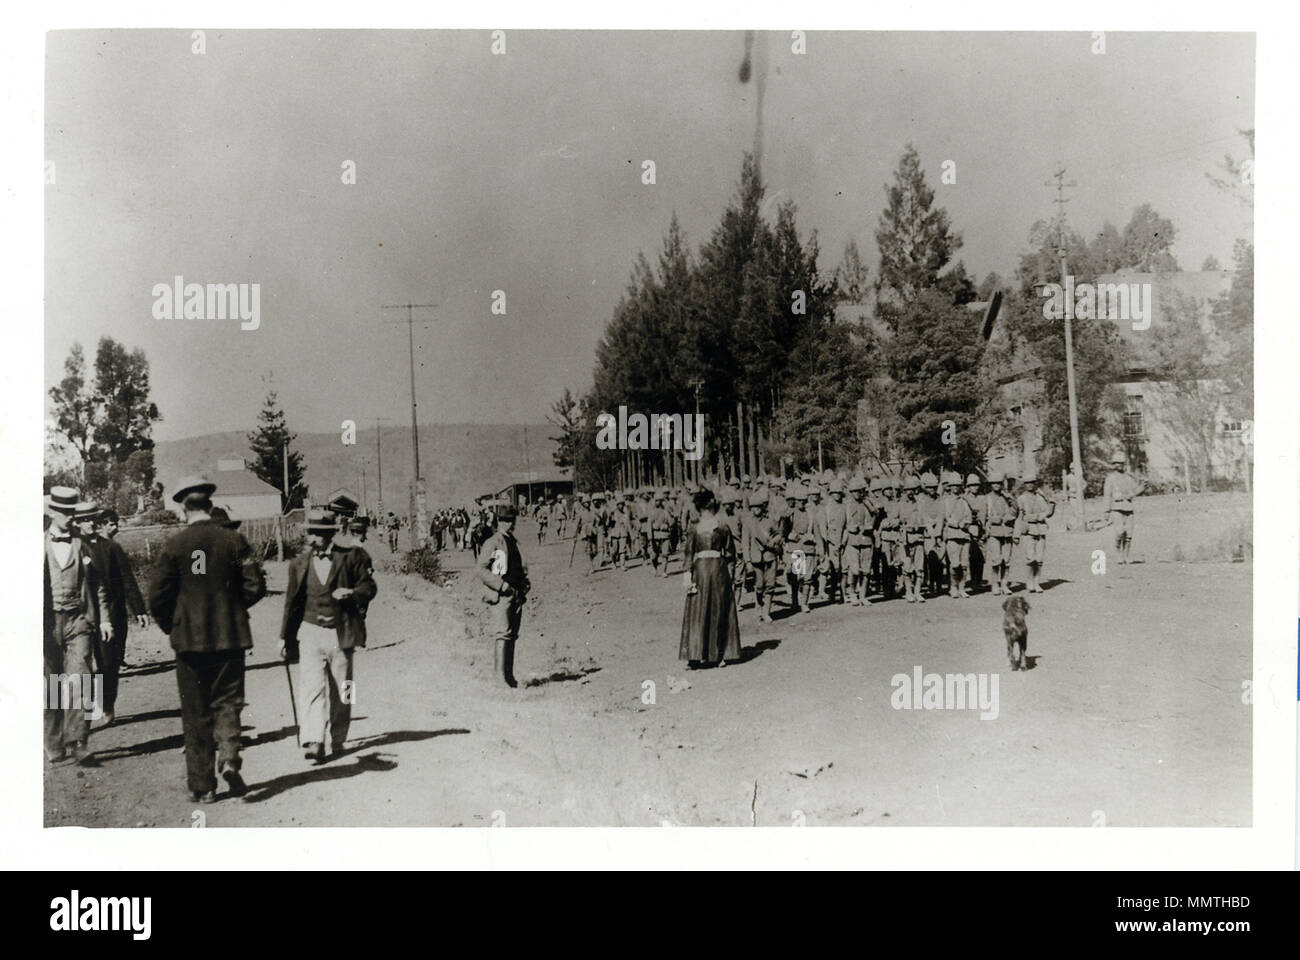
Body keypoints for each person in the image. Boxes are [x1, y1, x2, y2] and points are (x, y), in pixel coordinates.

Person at [148, 476, 266, 802]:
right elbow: (255, 586)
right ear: (210, 505)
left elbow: (157, 596)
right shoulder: (234, 541)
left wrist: (173, 625)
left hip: (189, 641)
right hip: (230, 637)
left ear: (183, 508)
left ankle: (204, 787)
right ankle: (229, 757)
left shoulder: (175, 545)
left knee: (195, 710)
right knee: (228, 702)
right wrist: (232, 610)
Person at [280, 508, 377, 762]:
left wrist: (352, 593)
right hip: (310, 632)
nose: (313, 538)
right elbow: (291, 603)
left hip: (341, 633)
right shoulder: (299, 564)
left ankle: (339, 737)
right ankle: (314, 741)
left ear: (329, 535)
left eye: (318, 533)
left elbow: (369, 587)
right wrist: (284, 638)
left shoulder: (351, 557)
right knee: (311, 688)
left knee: (345, 689)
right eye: (310, 533)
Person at [43, 486, 112, 766]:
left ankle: (79, 742)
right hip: (47, 624)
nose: (71, 518)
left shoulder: (82, 544)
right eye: (65, 513)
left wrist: (103, 618)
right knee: (51, 682)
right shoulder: (37, 545)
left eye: (73, 512)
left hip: (78, 620)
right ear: (52, 513)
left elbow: (98, 586)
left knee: (81, 678)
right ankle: (54, 743)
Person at [88, 507, 147, 723]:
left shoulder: (112, 548)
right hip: (84, 616)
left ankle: (106, 705)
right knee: (82, 663)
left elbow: (127, 579)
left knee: (109, 663)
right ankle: (80, 717)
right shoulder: (77, 548)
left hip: (112, 614)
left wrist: (139, 609)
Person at [679, 489, 741, 668]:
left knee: (718, 610)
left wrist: (730, 574)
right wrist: (687, 575)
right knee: (697, 612)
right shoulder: (694, 528)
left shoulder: (722, 527)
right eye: (704, 508)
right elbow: (689, 553)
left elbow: (730, 553)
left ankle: (719, 654)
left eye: (710, 508)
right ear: (700, 508)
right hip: (699, 572)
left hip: (718, 572)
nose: (707, 511)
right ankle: (694, 655)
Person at [477, 505, 530, 687]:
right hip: (500, 595)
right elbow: (481, 569)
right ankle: (499, 678)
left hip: (516, 594)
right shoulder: (493, 542)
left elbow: (519, 566)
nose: (509, 524)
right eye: (505, 520)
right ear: (498, 521)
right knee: (502, 634)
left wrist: (524, 582)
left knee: (512, 635)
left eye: (512, 520)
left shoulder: (514, 541)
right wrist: (501, 585)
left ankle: (509, 677)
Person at [740, 491, 779, 621]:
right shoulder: (748, 523)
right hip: (756, 558)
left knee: (771, 585)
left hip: (770, 556)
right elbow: (745, 543)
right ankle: (758, 604)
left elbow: (778, 534)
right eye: (753, 507)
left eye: (758, 507)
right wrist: (747, 561)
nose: (756, 509)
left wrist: (774, 541)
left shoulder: (769, 521)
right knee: (759, 585)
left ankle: (766, 612)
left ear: (762, 507)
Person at [1015, 471, 1054, 593]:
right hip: (1028, 531)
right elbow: (1020, 517)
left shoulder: (1040, 497)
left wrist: (1051, 502)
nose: (1030, 485)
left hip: (1041, 530)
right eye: (1027, 483)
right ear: (1024, 484)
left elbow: (1048, 512)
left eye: (1032, 482)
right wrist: (1016, 534)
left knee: (1039, 559)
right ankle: (1029, 581)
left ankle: (1037, 582)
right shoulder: (1021, 499)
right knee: (1030, 558)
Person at [983, 472, 1019, 595]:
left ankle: (1004, 584)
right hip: (994, 532)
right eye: (994, 483)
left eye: (998, 483)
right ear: (990, 485)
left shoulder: (1007, 497)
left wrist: (1010, 499)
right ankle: (995, 584)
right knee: (995, 559)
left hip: (1007, 531)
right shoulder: (987, 498)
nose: (996, 485)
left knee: (1006, 560)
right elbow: (982, 517)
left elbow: (1016, 511)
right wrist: (990, 522)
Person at [1103, 452, 1143, 564]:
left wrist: (1142, 486)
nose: (1119, 465)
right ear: (1113, 464)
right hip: (1116, 508)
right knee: (1120, 532)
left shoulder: (1128, 478)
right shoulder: (1110, 478)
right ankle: (1118, 554)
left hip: (1128, 508)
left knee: (1129, 534)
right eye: (1117, 463)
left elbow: (1135, 490)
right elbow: (1107, 495)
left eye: (1121, 463)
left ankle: (1126, 556)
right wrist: (1106, 511)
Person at [818, 479, 849, 604]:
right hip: (831, 542)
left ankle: (843, 594)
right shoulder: (826, 508)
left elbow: (847, 526)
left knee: (844, 569)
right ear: (831, 494)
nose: (837, 495)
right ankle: (832, 593)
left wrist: (843, 541)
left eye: (839, 493)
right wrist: (830, 541)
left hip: (843, 541)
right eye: (834, 492)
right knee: (833, 568)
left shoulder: (845, 507)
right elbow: (823, 528)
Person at [899, 475, 927, 602]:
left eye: (913, 489)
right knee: (907, 567)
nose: (910, 492)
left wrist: (922, 524)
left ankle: (918, 592)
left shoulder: (920, 504)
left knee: (919, 567)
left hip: (919, 538)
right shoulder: (900, 505)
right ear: (904, 491)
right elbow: (893, 520)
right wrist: (901, 523)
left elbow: (925, 519)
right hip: (906, 539)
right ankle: (909, 592)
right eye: (908, 489)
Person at [650, 489, 673, 577]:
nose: (658, 502)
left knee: (665, 554)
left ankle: (664, 571)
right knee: (654, 554)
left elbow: (671, 522)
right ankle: (654, 568)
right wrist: (650, 536)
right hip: (655, 535)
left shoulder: (666, 511)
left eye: (660, 501)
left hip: (665, 535)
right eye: (657, 501)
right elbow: (649, 524)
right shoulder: (652, 512)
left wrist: (667, 526)